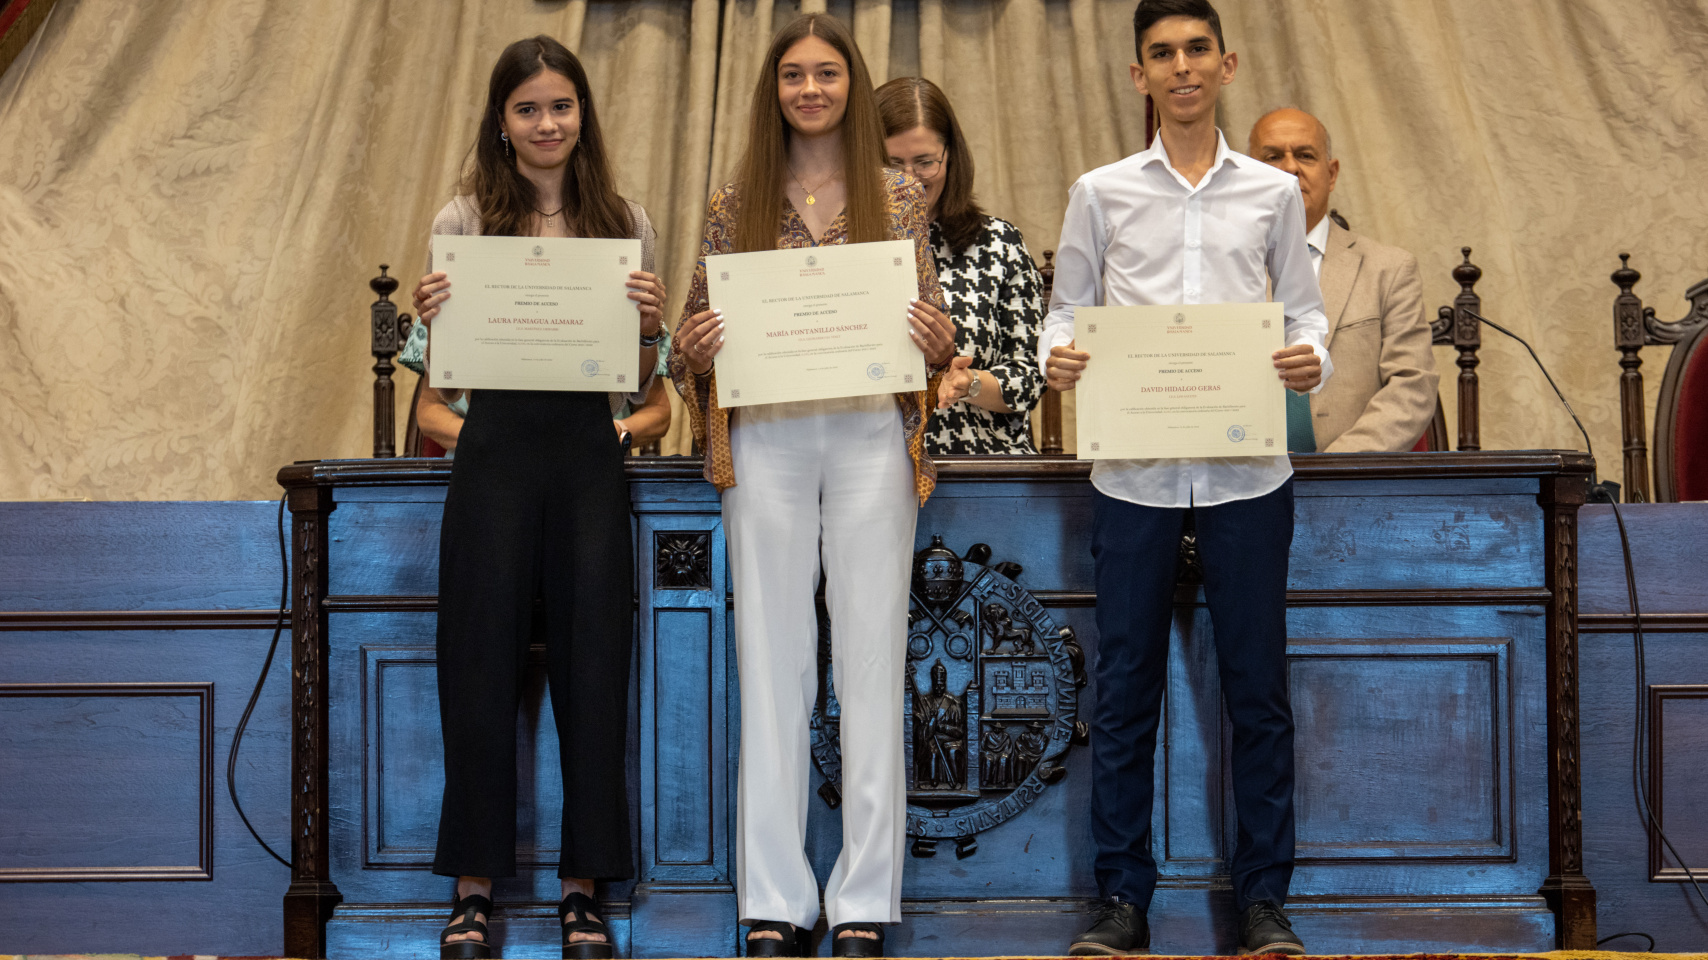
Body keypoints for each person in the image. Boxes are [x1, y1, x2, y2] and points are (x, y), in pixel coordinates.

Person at [1040, 1, 1331, 954]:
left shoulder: (1273, 194)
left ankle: (1263, 905)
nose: (1181, 66)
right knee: (1124, 694)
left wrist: (1305, 362)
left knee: (1257, 694)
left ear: (1227, 62)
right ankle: (1122, 902)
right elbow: (1065, 314)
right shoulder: (1101, 191)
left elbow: (1305, 316)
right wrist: (1062, 359)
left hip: (1249, 472)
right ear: (1138, 75)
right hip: (1135, 475)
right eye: (1161, 54)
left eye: (1196, 49)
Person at [668, 13, 957, 959]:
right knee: (772, 663)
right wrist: (696, 349)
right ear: (774, 90)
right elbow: (684, 348)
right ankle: (776, 903)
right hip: (771, 439)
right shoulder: (734, 201)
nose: (810, 89)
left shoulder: (898, 197)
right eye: (793, 74)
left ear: (850, 82)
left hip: (871, 430)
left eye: (827, 73)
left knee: (871, 662)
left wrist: (937, 342)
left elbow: (931, 333)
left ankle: (864, 900)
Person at [406, 35, 668, 960]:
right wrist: (434, 321)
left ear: (582, 114)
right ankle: (473, 891)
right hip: (492, 464)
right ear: (502, 121)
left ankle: (583, 891)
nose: (548, 123)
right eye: (528, 108)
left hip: (589, 466)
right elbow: (432, 392)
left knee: (594, 675)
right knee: (475, 672)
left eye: (562, 105)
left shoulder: (624, 217)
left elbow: (651, 393)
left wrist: (645, 329)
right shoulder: (466, 218)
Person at [1247, 107, 1438, 452]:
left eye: (1305, 155)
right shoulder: (1219, 269)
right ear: (1247, 175)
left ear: (1331, 174)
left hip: (1351, 484)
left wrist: (1336, 469)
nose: (1290, 168)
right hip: (1242, 481)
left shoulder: (1389, 269)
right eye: (1273, 157)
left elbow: (1412, 386)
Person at [874, 77, 1047, 455]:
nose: (907, 180)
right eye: (891, 163)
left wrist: (967, 381)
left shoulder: (999, 243)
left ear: (950, 157)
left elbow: (1030, 377)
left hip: (984, 466)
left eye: (924, 163)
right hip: (870, 464)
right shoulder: (846, 249)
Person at [400, 336, 674, 454]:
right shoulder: (463, 290)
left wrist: (614, 431)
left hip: (591, 460)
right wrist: (483, 438)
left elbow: (658, 412)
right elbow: (429, 408)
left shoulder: (618, 297)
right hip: (481, 464)